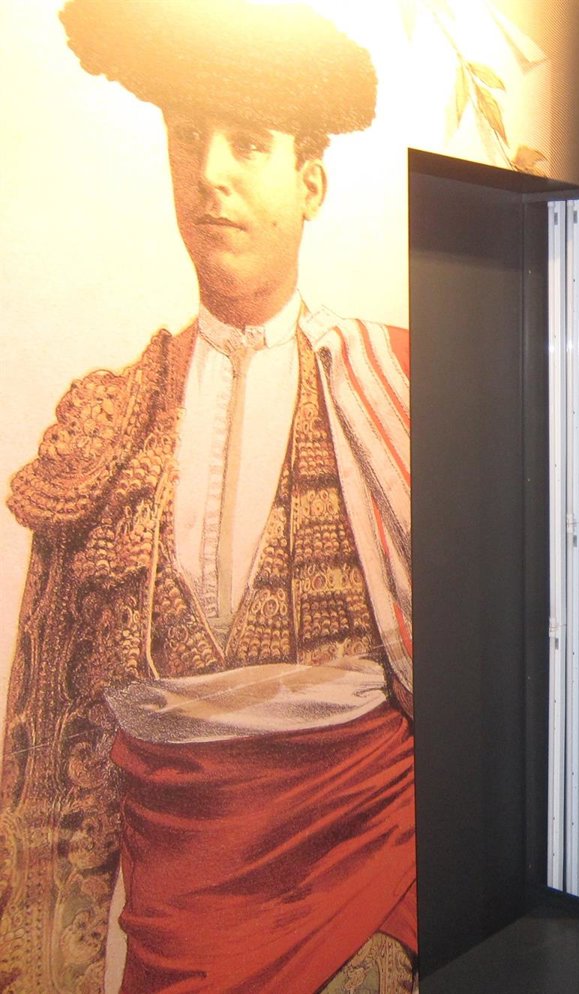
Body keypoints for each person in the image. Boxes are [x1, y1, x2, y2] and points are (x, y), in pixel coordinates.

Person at [0, 1, 416, 991]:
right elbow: (55, 749)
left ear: (310, 183)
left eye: (248, 144)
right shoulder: (106, 420)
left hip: (365, 916)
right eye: (188, 139)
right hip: (173, 931)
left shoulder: (398, 392)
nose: (209, 173)